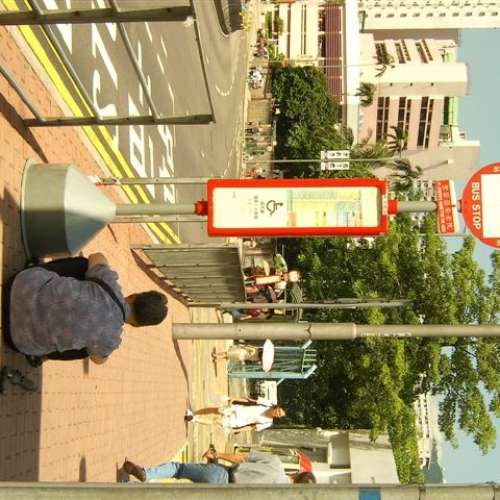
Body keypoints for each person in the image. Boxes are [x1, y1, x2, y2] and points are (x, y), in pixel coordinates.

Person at [2, 254, 168, 366]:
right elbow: (98, 361)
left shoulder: (108, 282)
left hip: (17, 285)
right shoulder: (111, 340)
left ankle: (38, 267)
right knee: (87, 350)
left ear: (134, 295)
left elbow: (97, 256)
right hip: (16, 338)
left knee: (85, 265)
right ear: (138, 325)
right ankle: (41, 355)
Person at [122, 448, 316, 484]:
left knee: (178, 469)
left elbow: (241, 458)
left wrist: (217, 455)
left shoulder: (275, 463)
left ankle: (146, 474)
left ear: (298, 474)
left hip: (223, 476)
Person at [184, 397, 285, 434]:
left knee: (216, 421)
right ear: (277, 407)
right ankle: (194, 413)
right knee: (216, 410)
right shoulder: (268, 403)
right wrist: (234, 398)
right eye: (279, 411)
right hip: (237, 409)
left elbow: (251, 427)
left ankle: (194, 419)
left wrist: (237, 430)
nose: (277, 414)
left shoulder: (268, 422)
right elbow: (250, 400)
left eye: (279, 415)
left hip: (237, 422)